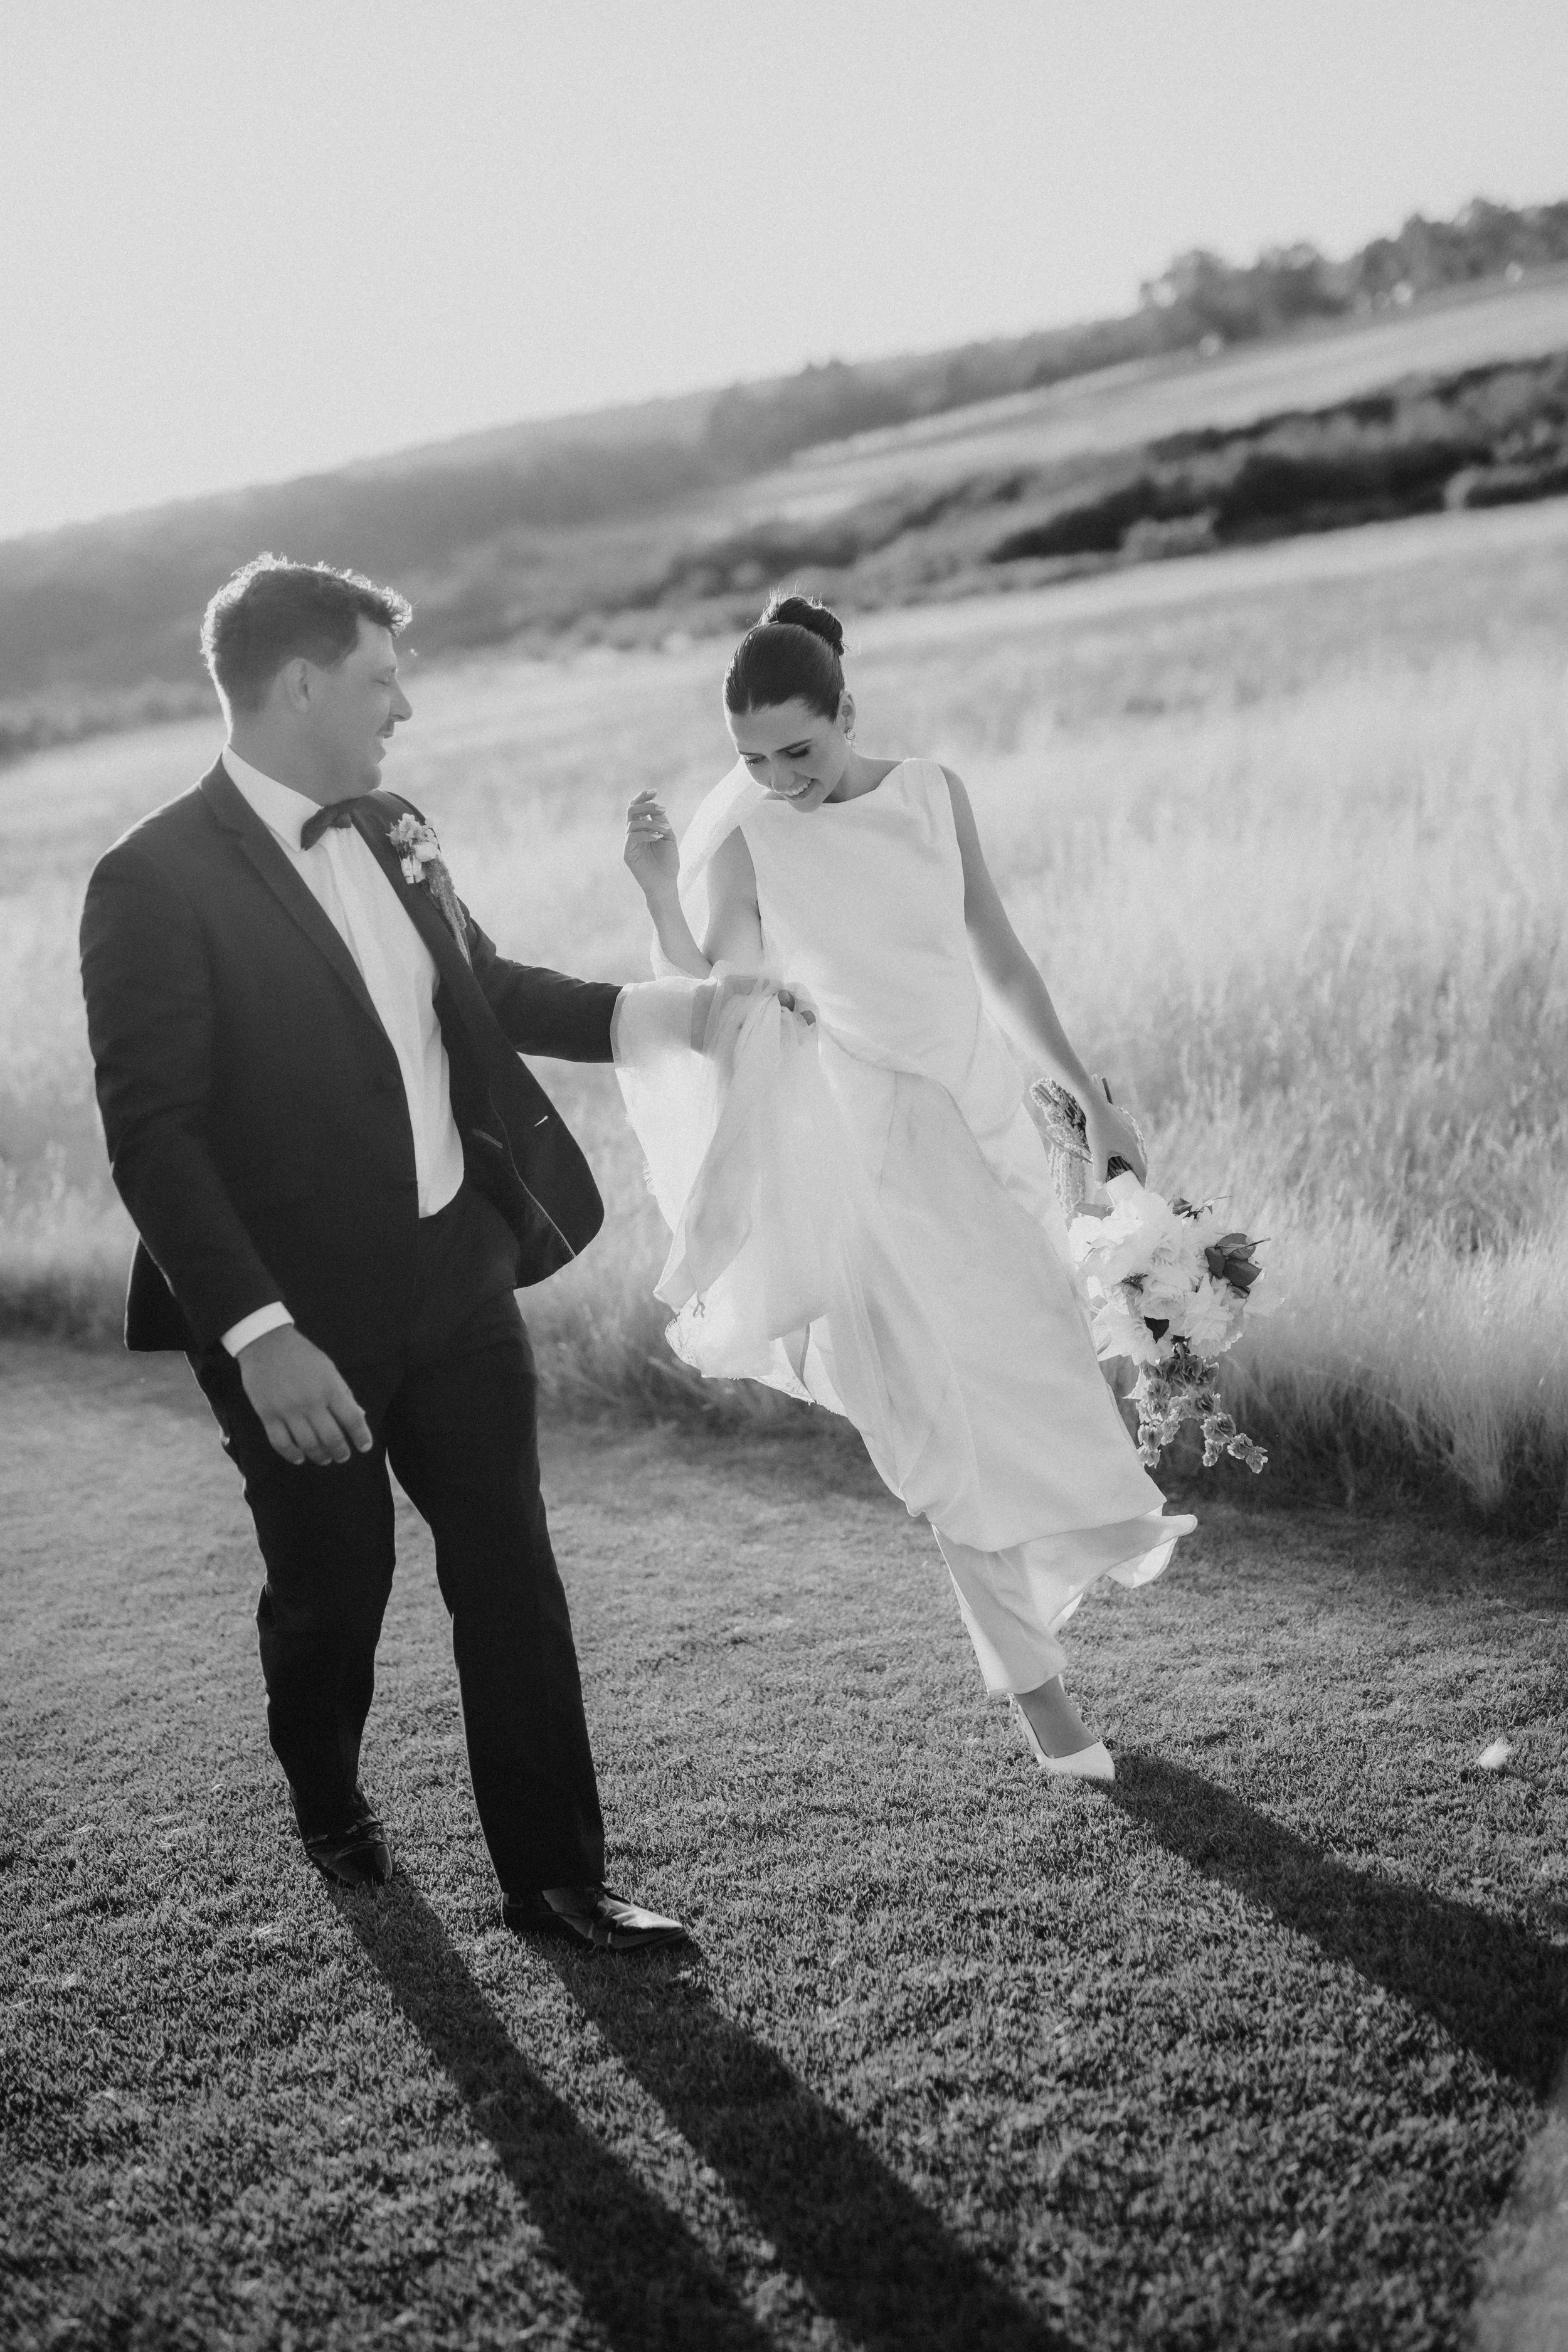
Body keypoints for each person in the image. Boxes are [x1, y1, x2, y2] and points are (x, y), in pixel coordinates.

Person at [80, 554, 686, 1951]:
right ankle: (325, 1791)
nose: (401, 707)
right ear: (300, 685)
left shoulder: (398, 825)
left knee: (509, 1567)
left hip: (457, 1271)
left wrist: (674, 1017)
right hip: (295, 1322)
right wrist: (259, 1335)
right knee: (333, 1589)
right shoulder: (149, 879)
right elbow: (154, 1136)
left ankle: (557, 1879)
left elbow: (487, 987)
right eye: (380, 679)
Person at [618, 592, 1195, 1779]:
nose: (779, 780)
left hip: (985, 1133)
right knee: (934, 1421)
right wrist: (661, 889)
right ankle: (1044, 1703)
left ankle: (1049, 1601)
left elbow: (1002, 959)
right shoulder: (750, 836)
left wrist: (1088, 1098)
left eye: (800, 750)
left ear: (849, 713)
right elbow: (722, 994)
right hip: (861, 1156)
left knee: (1040, 1384)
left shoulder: (934, 793)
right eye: (752, 759)